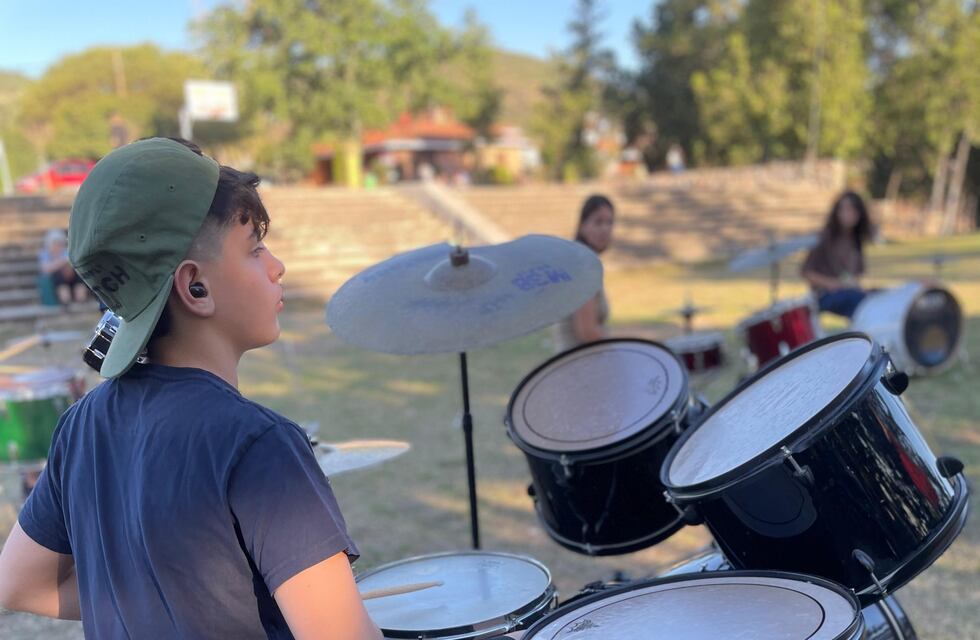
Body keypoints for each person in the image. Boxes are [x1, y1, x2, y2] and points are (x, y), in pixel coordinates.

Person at [0, 138, 382, 640]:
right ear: (194, 286)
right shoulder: (258, 443)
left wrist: (139, 604)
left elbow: (17, 585)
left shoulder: (80, 425)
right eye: (254, 249)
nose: (277, 267)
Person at [554, 194, 615, 352]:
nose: (605, 229)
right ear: (582, 226)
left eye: (609, 222)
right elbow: (587, 333)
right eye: (598, 222)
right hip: (576, 367)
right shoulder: (582, 265)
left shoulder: (583, 261)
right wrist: (624, 346)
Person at [801, 191, 874, 318]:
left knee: (876, 297)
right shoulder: (824, 237)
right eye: (843, 209)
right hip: (824, 295)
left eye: (851, 209)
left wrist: (854, 285)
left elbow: (856, 275)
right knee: (858, 301)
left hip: (848, 291)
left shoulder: (856, 240)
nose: (847, 214)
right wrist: (832, 284)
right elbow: (807, 272)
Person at [38, 228, 88, 306]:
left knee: (79, 277)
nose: (58, 246)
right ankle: (66, 301)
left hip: (71, 277)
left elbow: (73, 264)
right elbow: (45, 269)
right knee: (60, 279)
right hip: (55, 280)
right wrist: (62, 262)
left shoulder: (65, 252)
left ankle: (81, 300)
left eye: (60, 244)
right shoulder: (45, 253)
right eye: (55, 243)